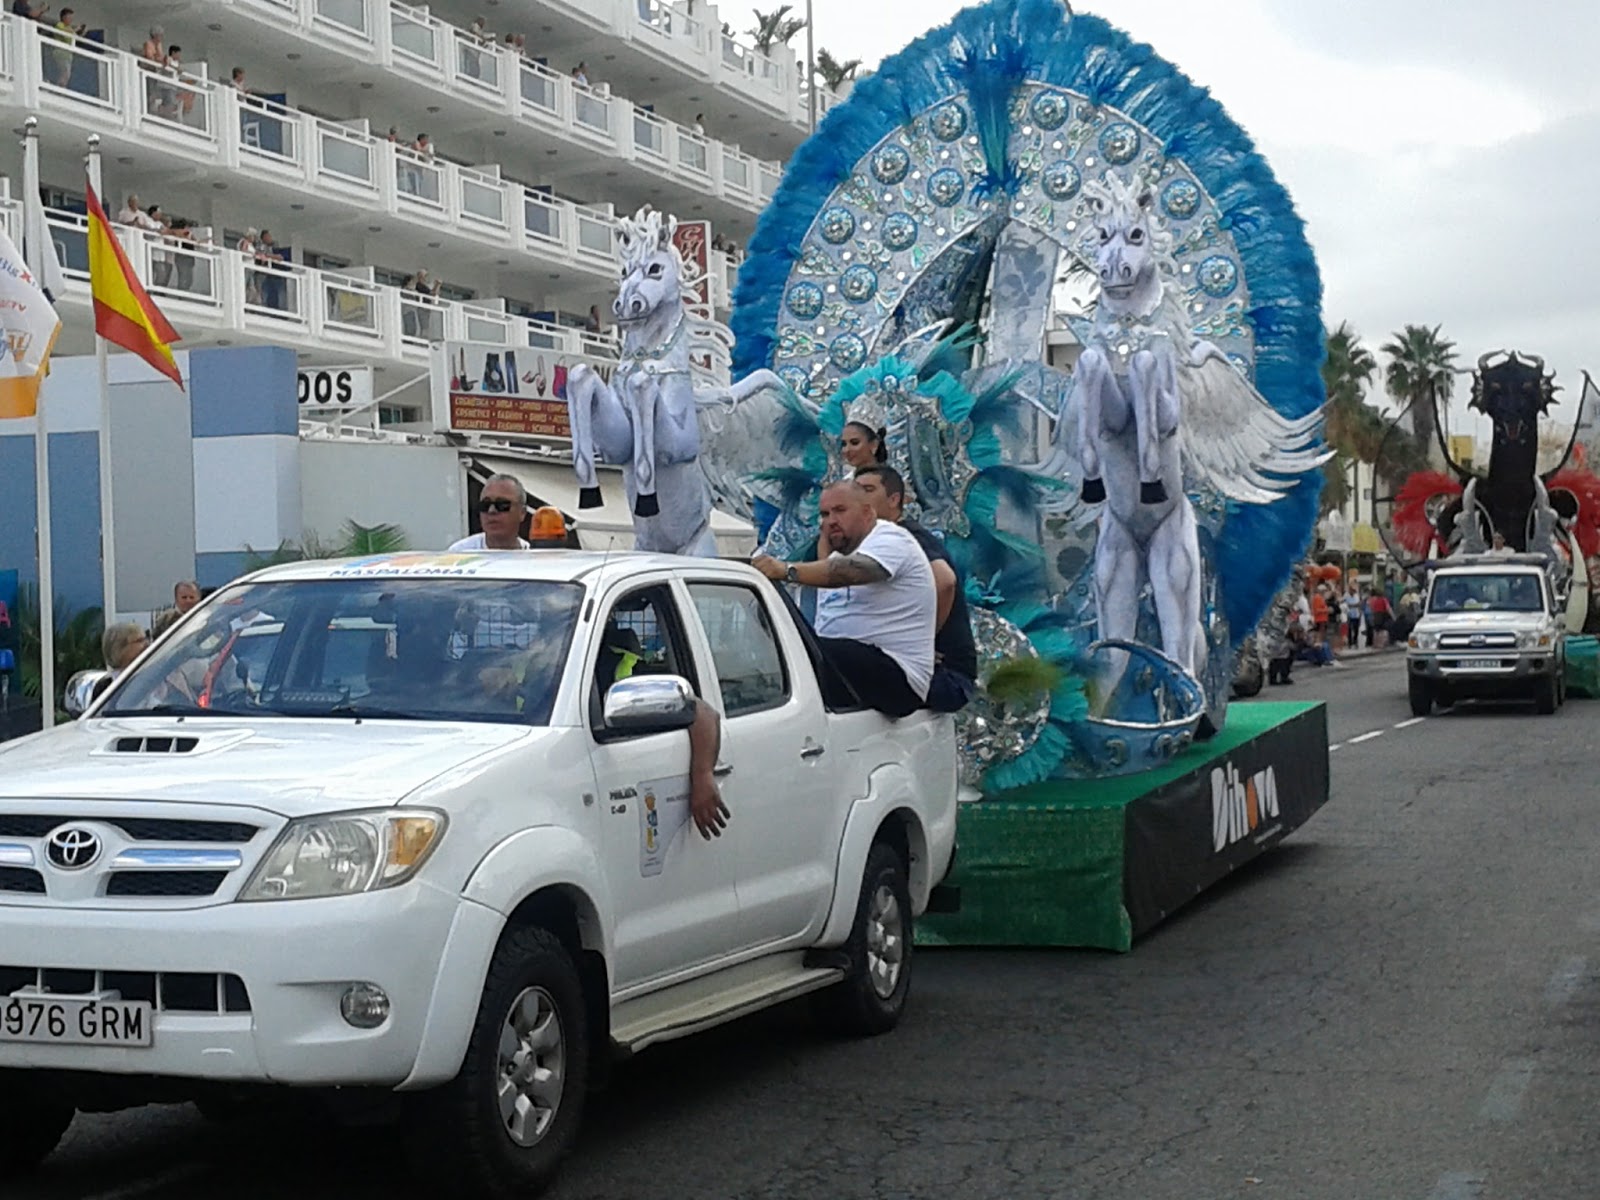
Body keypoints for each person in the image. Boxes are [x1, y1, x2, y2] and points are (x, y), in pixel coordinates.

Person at [752, 480, 936, 718]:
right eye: (825, 514)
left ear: (867, 512)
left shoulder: (891, 538)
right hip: (850, 669)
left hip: (897, 675)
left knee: (804, 652)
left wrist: (786, 570)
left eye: (840, 510)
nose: (831, 521)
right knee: (784, 655)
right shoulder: (837, 556)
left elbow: (852, 571)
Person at [854, 464, 976, 711]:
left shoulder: (907, 537)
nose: (860, 497)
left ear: (894, 499)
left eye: (868, 489)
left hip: (946, 675)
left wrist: (921, 643)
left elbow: (945, 581)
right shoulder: (871, 542)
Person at [450, 474, 531, 550]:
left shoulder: (533, 558)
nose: (491, 511)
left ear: (522, 512)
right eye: (485, 505)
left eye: (502, 505)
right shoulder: (460, 553)